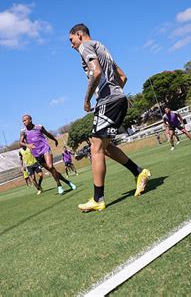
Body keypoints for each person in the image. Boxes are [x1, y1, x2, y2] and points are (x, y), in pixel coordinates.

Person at [69, 23, 151, 212]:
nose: (71, 45)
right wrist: (116, 94)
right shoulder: (102, 48)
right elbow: (123, 76)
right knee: (104, 148)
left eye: (71, 40)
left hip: (108, 101)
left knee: (95, 148)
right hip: (117, 99)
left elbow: (96, 72)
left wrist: (87, 100)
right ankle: (138, 172)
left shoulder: (86, 47)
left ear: (79, 35)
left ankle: (98, 199)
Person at [20, 115, 76, 195]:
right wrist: (27, 145)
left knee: (50, 166)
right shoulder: (23, 132)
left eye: (25, 120)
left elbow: (47, 134)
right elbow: (21, 142)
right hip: (36, 154)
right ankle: (68, 182)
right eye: (23, 121)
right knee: (52, 170)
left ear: (30, 120)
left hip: (45, 149)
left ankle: (59, 186)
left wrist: (55, 139)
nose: (24, 122)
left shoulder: (39, 127)